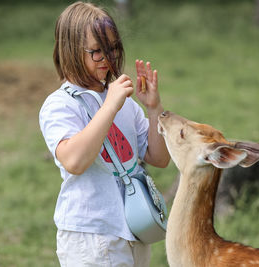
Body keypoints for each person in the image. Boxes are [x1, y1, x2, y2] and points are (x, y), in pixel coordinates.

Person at [39, 2, 170, 266]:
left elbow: (159, 158)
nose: (108, 58)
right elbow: (74, 161)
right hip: (91, 236)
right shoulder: (60, 104)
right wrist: (109, 105)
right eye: (97, 51)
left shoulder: (125, 103)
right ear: (71, 51)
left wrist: (154, 108)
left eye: (113, 48)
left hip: (135, 230)